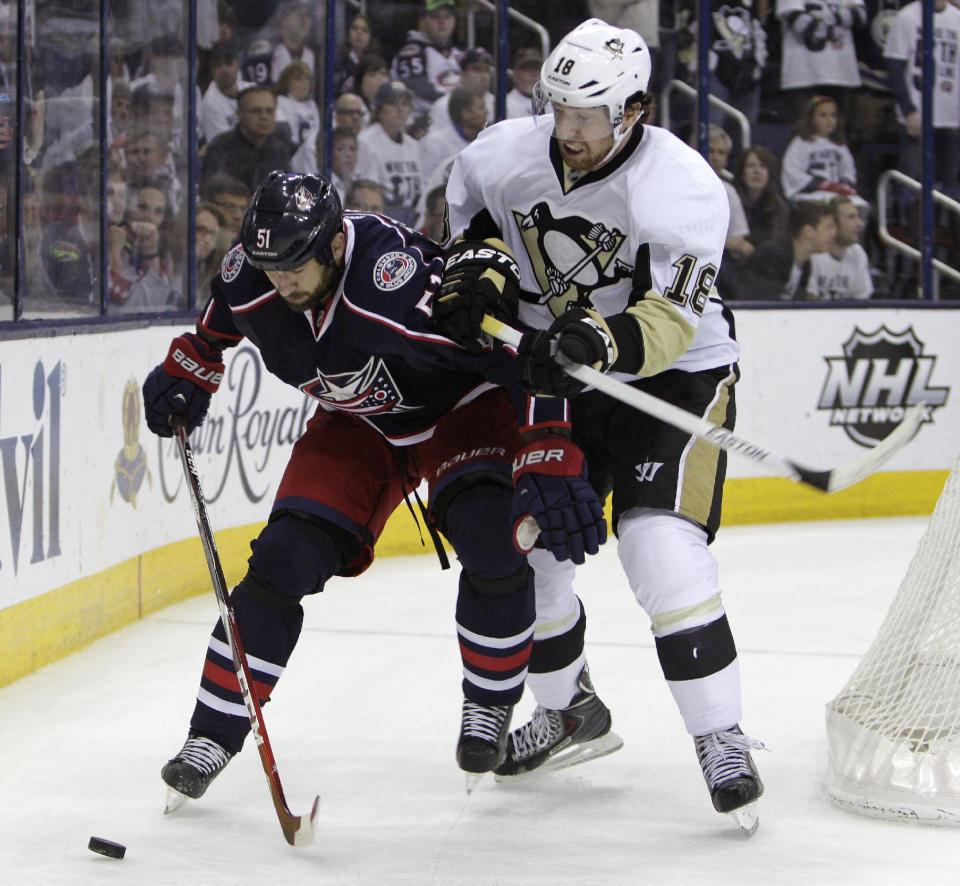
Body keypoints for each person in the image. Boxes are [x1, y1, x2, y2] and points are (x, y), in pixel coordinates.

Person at [435, 19, 764, 831]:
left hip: (675, 378)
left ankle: (721, 736)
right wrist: (475, 275)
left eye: (589, 116)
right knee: (534, 548)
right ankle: (571, 711)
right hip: (561, 377)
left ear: (635, 110)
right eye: (559, 110)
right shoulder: (502, 153)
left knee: (656, 545)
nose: (569, 131)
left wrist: (595, 337)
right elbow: (471, 233)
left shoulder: (683, 184)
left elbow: (669, 323)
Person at [143, 172, 562, 805]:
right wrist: (193, 366)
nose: (279, 282)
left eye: (293, 266)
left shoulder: (396, 285)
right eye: (268, 266)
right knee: (283, 559)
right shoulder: (250, 274)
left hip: (462, 410)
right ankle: (212, 734)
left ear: (336, 246)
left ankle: (489, 707)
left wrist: (547, 444)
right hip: (357, 423)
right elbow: (218, 323)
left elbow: (528, 363)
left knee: (491, 540)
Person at [884, 0, 960, 193]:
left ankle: (944, 223)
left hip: (951, 116)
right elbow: (895, 67)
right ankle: (911, 222)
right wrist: (908, 110)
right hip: (917, 114)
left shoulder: (957, 18)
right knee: (912, 181)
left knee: (950, 182)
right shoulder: (907, 17)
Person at [776, 0, 866, 116]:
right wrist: (841, 18)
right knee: (806, 131)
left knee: (837, 131)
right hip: (803, 76)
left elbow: (861, 15)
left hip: (841, 73)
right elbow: (802, 24)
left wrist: (826, 19)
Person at [201, 85, 293, 194]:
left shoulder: (279, 149)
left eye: (269, 111)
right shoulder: (221, 147)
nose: (264, 117)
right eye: (255, 111)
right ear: (239, 114)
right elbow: (212, 192)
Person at [738, 200, 836, 299]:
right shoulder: (772, 255)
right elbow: (760, 300)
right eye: (829, 227)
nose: (834, 233)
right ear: (809, 231)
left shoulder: (805, 263)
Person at [358, 80, 423, 226]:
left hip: (410, 218)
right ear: (380, 109)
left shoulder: (413, 145)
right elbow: (367, 192)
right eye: (393, 103)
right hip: (382, 218)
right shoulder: (366, 142)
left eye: (405, 104)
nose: (400, 109)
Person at [781, 95, 863, 205]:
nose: (829, 120)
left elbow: (848, 170)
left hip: (837, 194)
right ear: (811, 118)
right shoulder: (801, 142)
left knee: (860, 205)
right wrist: (819, 184)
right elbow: (791, 170)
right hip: (810, 194)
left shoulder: (839, 145)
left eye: (833, 115)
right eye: (823, 115)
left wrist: (844, 184)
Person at [390, 0, 464, 117]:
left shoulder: (458, 54)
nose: (442, 22)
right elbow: (419, 89)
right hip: (423, 121)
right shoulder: (411, 53)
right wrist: (459, 105)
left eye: (447, 16)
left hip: (457, 118)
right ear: (423, 20)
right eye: (435, 16)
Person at [807, 195, 873, 300]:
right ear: (833, 223)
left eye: (858, 217)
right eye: (851, 217)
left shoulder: (858, 253)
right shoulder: (815, 253)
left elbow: (862, 301)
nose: (859, 223)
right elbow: (808, 302)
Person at [419, 86, 488, 184]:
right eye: (481, 108)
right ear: (465, 113)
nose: (487, 112)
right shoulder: (436, 143)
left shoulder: (487, 140)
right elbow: (427, 183)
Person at [734, 145, 790, 250]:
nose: (757, 171)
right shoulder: (731, 201)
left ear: (769, 173)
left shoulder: (778, 206)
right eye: (751, 166)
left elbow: (779, 243)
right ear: (742, 172)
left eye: (762, 166)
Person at [427, 48, 494, 135]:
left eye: (486, 70)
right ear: (462, 73)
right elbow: (436, 143)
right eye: (477, 69)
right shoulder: (443, 106)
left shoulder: (499, 103)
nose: (483, 76)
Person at [200, 46, 254, 146]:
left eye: (228, 63)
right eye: (218, 65)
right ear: (212, 71)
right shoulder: (210, 103)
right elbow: (223, 147)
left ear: (237, 65)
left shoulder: (252, 89)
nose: (224, 69)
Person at [273, 60, 320, 149]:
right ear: (286, 82)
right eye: (298, 78)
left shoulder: (312, 105)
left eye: (307, 78)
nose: (304, 82)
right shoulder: (280, 102)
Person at [270, 0, 316, 84]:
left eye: (308, 15)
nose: (304, 20)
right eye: (300, 14)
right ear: (283, 19)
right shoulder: (269, 52)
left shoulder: (312, 56)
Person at [505, 47, 542, 119]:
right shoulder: (506, 104)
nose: (534, 73)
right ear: (515, 72)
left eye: (537, 68)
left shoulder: (550, 105)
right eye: (528, 68)